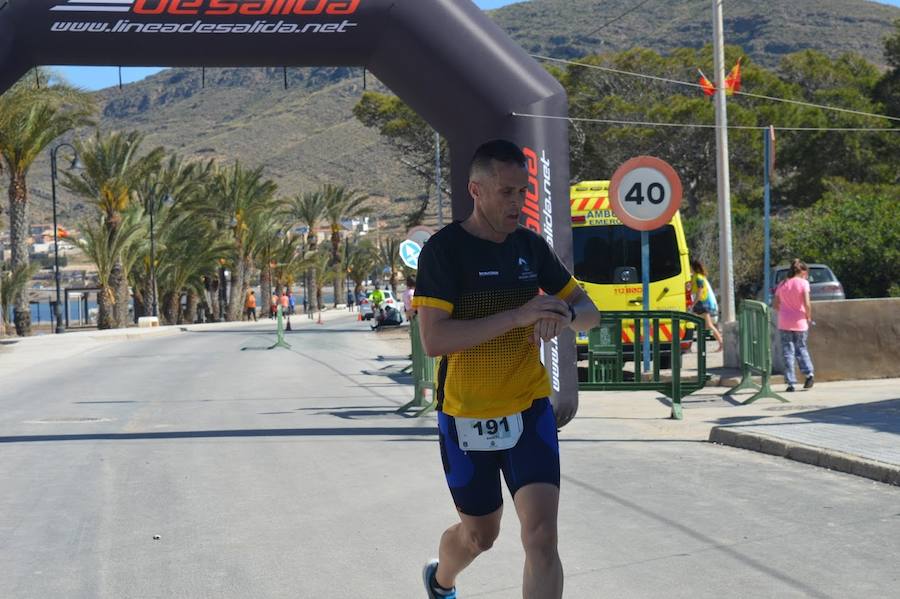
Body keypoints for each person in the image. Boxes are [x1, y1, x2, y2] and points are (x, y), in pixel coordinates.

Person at [413, 139, 601, 599]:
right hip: (465, 414)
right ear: (476, 190)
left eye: (523, 192)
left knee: (541, 538)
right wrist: (518, 316)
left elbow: (590, 310)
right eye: (507, 192)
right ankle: (442, 579)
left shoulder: (529, 247)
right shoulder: (443, 252)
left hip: (529, 407)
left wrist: (564, 316)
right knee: (481, 536)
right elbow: (435, 339)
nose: (518, 203)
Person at [773, 259, 815, 392]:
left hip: (784, 322)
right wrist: (808, 316)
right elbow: (807, 303)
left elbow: (776, 304)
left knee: (787, 352)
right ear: (802, 271)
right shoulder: (803, 283)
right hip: (800, 321)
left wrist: (784, 311)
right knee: (801, 348)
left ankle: (790, 382)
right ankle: (809, 374)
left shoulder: (782, 284)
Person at [689, 258, 724, 352]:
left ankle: (721, 343)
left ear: (692, 267)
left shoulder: (698, 277)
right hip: (701, 303)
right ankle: (718, 343)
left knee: (706, 325)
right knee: (704, 325)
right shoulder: (697, 276)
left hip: (702, 304)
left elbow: (700, 292)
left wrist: (693, 303)